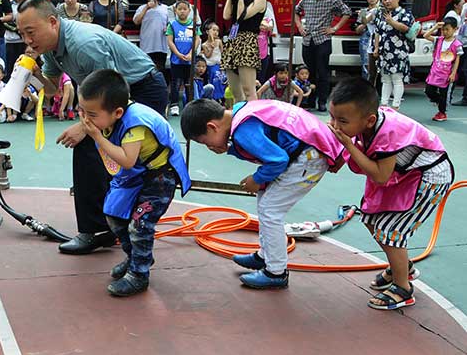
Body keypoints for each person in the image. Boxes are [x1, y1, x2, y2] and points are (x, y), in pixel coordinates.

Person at [17, 0, 169, 254]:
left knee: (121, 155)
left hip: (141, 90)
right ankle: (110, 224)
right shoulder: (52, 48)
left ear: (52, 22)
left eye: (30, 32)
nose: (27, 41)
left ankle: (101, 230)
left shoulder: (84, 44)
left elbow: (112, 93)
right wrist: (35, 75)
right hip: (115, 95)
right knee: (98, 152)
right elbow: (54, 90)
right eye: (22, 34)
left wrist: (84, 127)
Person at [180, 98, 343, 289]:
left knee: (270, 210)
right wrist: (231, 150)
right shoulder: (243, 111)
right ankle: (266, 255)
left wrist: (256, 179)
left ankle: (276, 272)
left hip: (309, 158)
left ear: (212, 127)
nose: (208, 146)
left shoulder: (242, 131)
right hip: (307, 150)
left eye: (204, 141)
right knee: (265, 200)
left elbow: (276, 160)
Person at [327, 78, 453, 310]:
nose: (335, 125)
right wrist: (340, 157)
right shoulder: (364, 124)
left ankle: (403, 288)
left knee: (390, 231)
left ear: (369, 120)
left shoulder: (387, 133)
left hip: (430, 178)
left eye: (342, 121)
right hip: (405, 175)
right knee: (370, 218)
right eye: (332, 117)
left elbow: (380, 176)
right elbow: (359, 144)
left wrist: (348, 147)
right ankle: (402, 265)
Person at [77, 69, 191, 296]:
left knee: (140, 224)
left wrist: (97, 137)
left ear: (118, 112)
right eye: (82, 111)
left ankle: (139, 274)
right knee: (114, 215)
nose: (85, 119)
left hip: (160, 176)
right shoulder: (109, 116)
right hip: (138, 174)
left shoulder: (135, 124)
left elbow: (127, 161)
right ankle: (136, 258)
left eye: (91, 114)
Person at [294, 0, 352, 111]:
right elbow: (296, 11)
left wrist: (335, 28)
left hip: (323, 40)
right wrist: (300, 27)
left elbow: (347, 12)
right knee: (309, 72)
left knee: (323, 72)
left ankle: (322, 101)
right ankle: (310, 100)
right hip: (308, 40)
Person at [221, 0, 267, 104]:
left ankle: (253, 119)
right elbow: (226, 15)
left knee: (248, 90)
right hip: (232, 40)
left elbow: (242, 16)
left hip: (247, 42)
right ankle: (238, 119)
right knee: (235, 91)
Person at [371, 0, 414, 110]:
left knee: (396, 78)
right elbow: (377, 32)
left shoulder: (404, 13)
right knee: (385, 78)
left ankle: (396, 105)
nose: (387, 1)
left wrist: (391, 21)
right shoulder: (381, 14)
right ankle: (384, 104)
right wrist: (376, 47)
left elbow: (406, 28)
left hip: (398, 51)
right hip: (384, 51)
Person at [422, 16, 462, 122]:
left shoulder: (457, 44)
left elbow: (457, 60)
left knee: (444, 93)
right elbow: (426, 35)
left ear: (455, 29)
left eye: (447, 29)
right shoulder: (439, 40)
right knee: (428, 90)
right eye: (443, 29)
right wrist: (435, 27)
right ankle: (439, 101)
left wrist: (453, 73)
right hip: (435, 72)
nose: (444, 32)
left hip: (447, 74)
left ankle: (442, 113)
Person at [166, 0, 200, 116]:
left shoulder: (193, 24)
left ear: (189, 10)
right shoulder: (172, 25)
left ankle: (189, 106)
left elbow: (197, 39)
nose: (182, 11)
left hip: (190, 61)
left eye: (184, 9)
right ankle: (174, 105)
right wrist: (177, 53)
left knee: (189, 83)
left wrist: (191, 53)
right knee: (175, 83)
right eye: (179, 9)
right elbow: (170, 41)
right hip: (176, 61)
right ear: (175, 10)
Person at [133, 0, 171, 88]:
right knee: (146, 70)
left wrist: (167, 28)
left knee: (161, 71)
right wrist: (146, 7)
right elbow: (136, 21)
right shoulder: (141, 8)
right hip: (146, 46)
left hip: (161, 46)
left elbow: (171, 24)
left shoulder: (166, 9)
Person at [354, 0, 381, 82]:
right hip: (366, 40)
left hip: (380, 39)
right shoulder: (363, 11)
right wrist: (364, 21)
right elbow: (357, 30)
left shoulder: (381, 10)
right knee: (366, 65)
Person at [5, 0, 28, 76]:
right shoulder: (8, 4)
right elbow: (5, 21)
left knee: (24, 68)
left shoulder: (29, 4)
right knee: (10, 68)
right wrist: (16, 29)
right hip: (10, 41)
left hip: (25, 41)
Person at [200, 20, 222, 85]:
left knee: (220, 77)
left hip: (218, 63)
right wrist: (212, 48)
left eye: (217, 30)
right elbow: (208, 56)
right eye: (214, 30)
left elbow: (222, 52)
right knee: (213, 74)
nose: (216, 32)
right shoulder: (204, 45)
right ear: (207, 32)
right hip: (210, 64)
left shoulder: (219, 41)